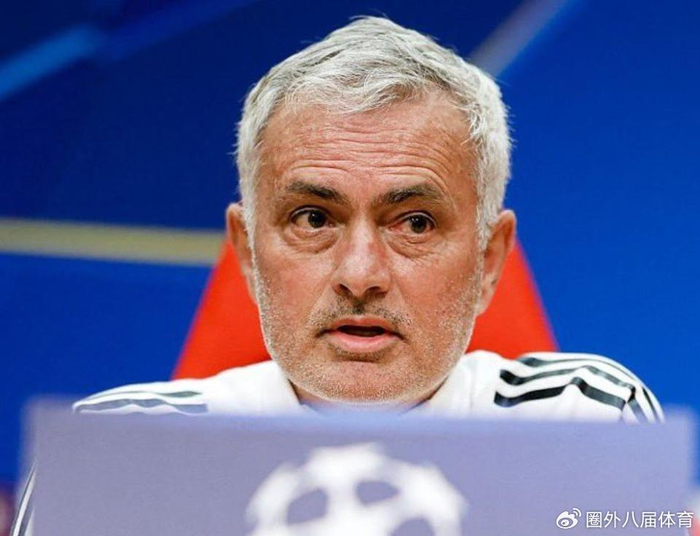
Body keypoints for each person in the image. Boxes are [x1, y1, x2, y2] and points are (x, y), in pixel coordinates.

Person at [11, 16, 662, 536]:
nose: (360, 274)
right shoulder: (121, 453)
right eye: (314, 218)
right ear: (246, 253)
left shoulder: (584, 420)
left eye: (414, 223)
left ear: (489, 261)